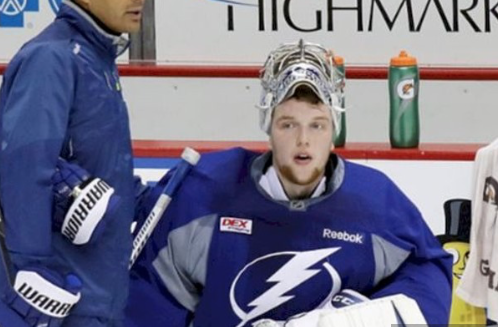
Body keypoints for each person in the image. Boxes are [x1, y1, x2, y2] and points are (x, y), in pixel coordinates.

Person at [125, 40, 452, 326]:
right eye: (288, 124)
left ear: (334, 130)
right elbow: (149, 299)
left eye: (318, 126)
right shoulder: (205, 193)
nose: (303, 141)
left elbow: (429, 271)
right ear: (268, 126)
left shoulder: (377, 203)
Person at [0, 0, 146, 327]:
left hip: (99, 294)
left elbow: (96, 164)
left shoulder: (97, 58)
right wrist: (30, 273)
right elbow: (24, 173)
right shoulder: (52, 59)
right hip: (62, 300)